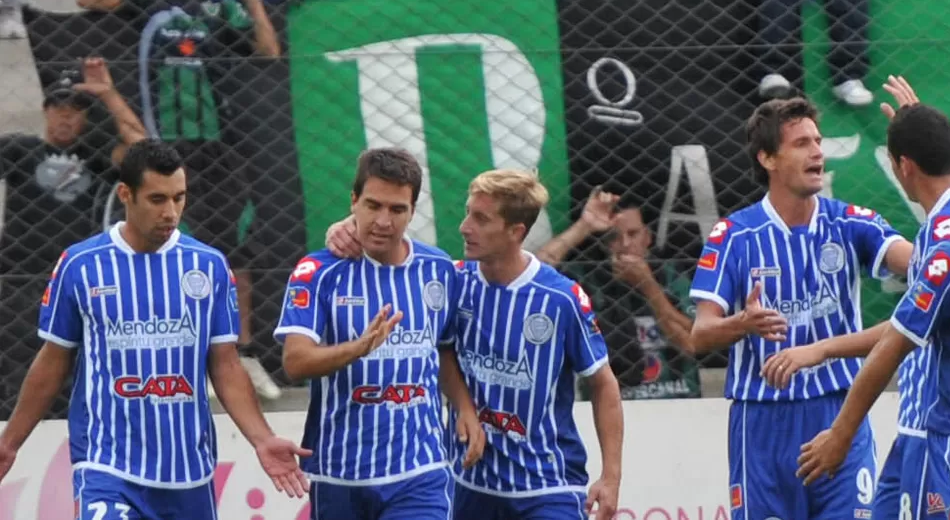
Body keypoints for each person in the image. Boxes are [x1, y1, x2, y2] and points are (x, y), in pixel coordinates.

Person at [0, 140, 310, 519]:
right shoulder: (80, 265)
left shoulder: (208, 267)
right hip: (107, 464)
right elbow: (53, 360)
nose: (171, 212)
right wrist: (10, 443)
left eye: (179, 198)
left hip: (187, 473)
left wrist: (262, 440)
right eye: (157, 199)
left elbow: (225, 366)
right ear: (125, 195)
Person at [326, 169, 624, 520]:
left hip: (547, 486)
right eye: (468, 212)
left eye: (480, 218)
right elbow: (442, 347)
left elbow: (603, 383)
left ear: (516, 232)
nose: (464, 227)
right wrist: (346, 225)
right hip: (467, 482)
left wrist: (611, 477)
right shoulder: (452, 282)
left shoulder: (561, 298)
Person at [687, 96, 912, 519]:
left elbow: (926, 267)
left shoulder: (850, 221)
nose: (817, 152)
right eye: (802, 143)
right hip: (763, 425)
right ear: (768, 158)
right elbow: (699, 335)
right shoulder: (733, 235)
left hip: (839, 412)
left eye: (818, 140)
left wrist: (921, 146)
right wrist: (742, 322)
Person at [76, 0, 283, 400]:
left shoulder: (219, 7)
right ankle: (192, 355)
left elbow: (269, 50)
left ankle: (242, 354)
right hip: (165, 148)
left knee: (237, 247)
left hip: (219, 147)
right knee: (176, 248)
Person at [274, 148, 485, 520]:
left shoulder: (438, 269)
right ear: (353, 201)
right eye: (373, 205)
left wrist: (464, 407)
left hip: (420, 470)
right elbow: (295, 361)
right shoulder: (318, 270)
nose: (383, 221)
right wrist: (357, 348)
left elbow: (444, 348)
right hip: (340, 473)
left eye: (397, 210)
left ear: (412, 211)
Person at [796, 84, 950, 516]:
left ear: (903, 167)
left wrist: (840, 435)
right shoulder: (949, 226)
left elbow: (896, 342)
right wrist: (919, 127)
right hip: (919, 430)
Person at [0, 57, 146, 420]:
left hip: (78, 280)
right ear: (46, 111)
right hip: (22, 277)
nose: (66, 117)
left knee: (77, 372)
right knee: (20, 372)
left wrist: (109, 94)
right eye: (59, 109)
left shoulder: (95, 155)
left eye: (75, 111)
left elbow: (145, 151)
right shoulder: (21, 149)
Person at [536, 189, 700, 399]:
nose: (624, 244)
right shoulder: (588, 278)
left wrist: (648, 286)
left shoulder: (671, 275)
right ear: (604, 243)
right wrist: (584, 226)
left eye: (633, 234)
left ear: (648, 237)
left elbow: (693, 343)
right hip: (611, 403)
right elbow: (536, 272)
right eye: (613, 237)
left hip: (676, 397)